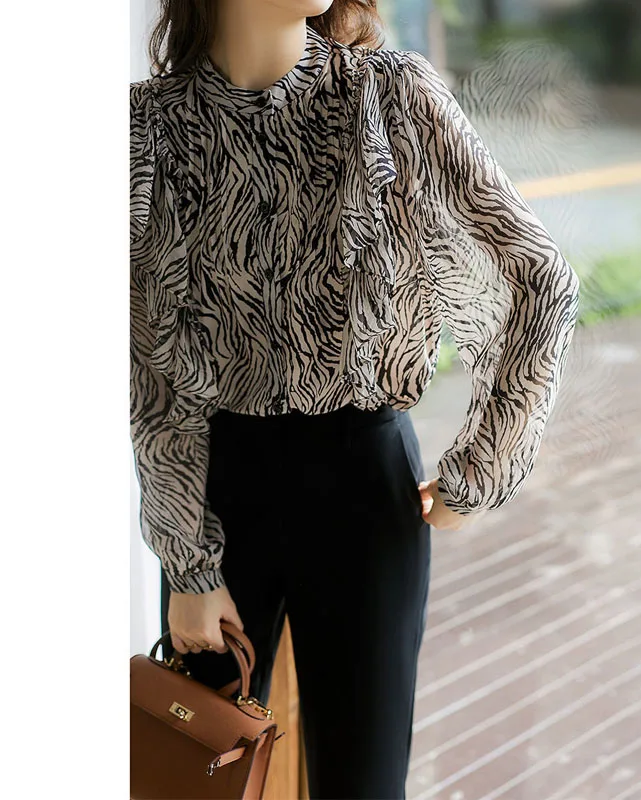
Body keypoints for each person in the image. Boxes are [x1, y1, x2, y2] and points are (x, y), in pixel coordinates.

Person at [130, 1, 580, 797]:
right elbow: (149, 362)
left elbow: (540, 278)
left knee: (364, 784)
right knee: (193, 778)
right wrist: (187, 563)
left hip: (362, 487)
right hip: (213, 493)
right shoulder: (150, 125)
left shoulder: (391, 94)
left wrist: (485, 463)